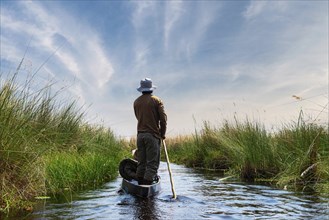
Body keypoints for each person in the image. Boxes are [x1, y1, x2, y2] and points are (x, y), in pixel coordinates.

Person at [134, 78, 167, 185]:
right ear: (151, 88)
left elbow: (138, 117)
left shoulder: (136, 102)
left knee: (141, 162)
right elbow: (163, 119)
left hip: (140, 136)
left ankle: (139, 185)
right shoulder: (157, 101)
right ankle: (146, 188)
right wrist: (162, 134)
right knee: (152, 164)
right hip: (152, 135)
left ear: (142, 89)